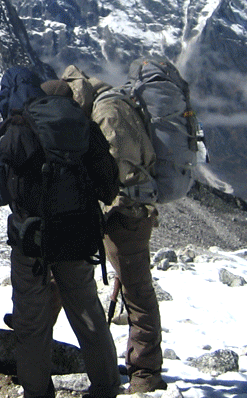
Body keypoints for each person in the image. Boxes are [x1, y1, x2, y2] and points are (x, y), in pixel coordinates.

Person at [0, 68, 121, 398]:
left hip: (30, 242)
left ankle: (37, 391)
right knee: (87, 312)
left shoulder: (16, 129)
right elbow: (109, 185)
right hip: (77, 239)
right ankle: (106, 386)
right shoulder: (83, 126)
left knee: (30, 324)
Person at [61, 65, 167, 393]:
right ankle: (139, 365)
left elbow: (114, 172)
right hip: (131, 212)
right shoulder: (116, 104)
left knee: (137, 293)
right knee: (136, 291)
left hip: (126, 215)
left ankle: (145, 373)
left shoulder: (108, 114)